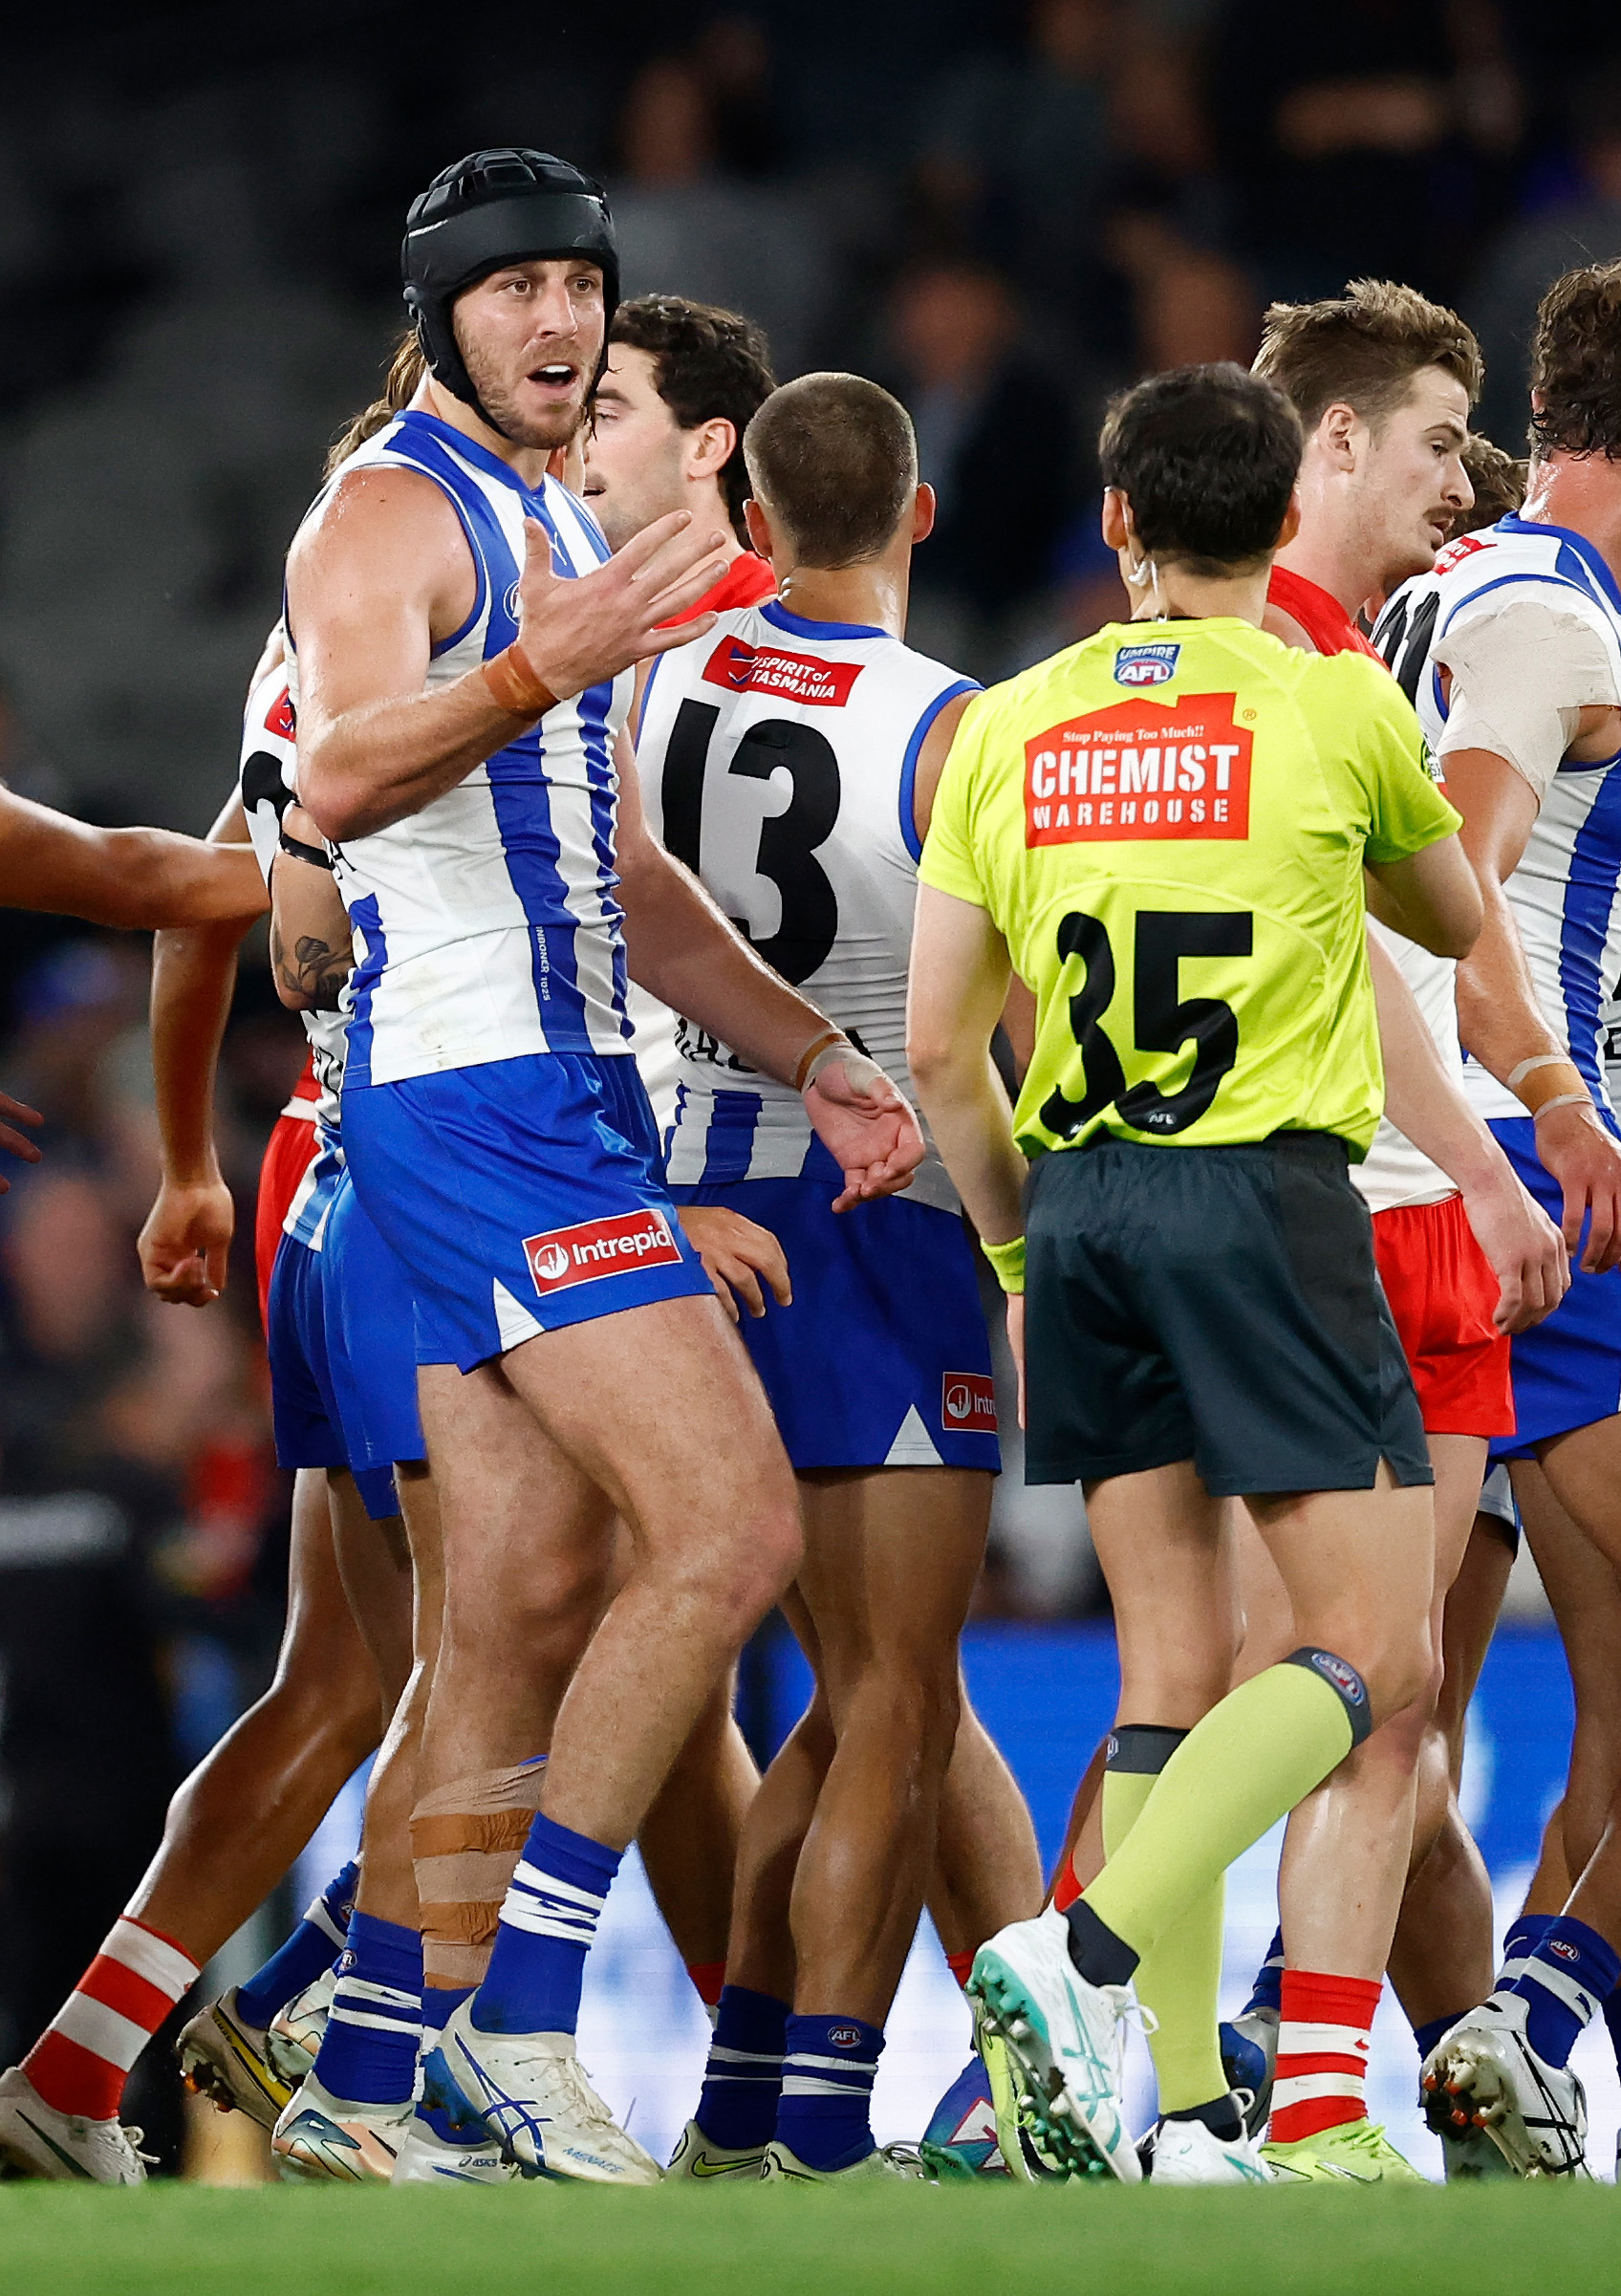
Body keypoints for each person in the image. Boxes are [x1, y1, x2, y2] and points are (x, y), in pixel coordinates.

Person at [289, 147, 922, 2186]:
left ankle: (366, 2076)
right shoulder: (392, 506)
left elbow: (628, 885)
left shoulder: (550, 515)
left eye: (579, 284)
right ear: (442, 312)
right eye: (513, 292)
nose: (556, 321)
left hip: (557, 1087)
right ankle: (522, 2024)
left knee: (524, 1604)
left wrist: (812, 1047)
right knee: (729, 1534)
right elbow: (338, 773)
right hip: (471, 1095)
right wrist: (540, 662)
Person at [908, 360, 1481, 2185]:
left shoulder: (1004, 726)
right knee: (1376, 1655)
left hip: (1076, 1201)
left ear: (1117, 523)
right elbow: (1457, 923)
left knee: (1165, 1669)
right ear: (1280, 516)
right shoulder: (1331, 700)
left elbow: (938, 1050)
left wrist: (1015, 1238)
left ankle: (1197, 2121)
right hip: (1267, 1203)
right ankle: (1078, 1953)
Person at [632, 370, 1027, 2182]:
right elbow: (996, 1018)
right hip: (890, 1204)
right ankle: (820, 2113)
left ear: (758, 522)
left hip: (693, 1203)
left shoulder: (658, 684)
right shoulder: (955, 728)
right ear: (922, 512)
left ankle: (732, 2098)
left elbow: (619, 918)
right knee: (896, 1700)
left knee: (822, 1687)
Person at [1206, 285, 1567, 2183]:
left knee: (1382, 1690)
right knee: (1326, 1678)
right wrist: (1523, 1143)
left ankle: (1378, 2088)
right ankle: (1100, 1972)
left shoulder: (1264, 644)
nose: (1457, 480)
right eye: (1433, 441)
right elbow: (1393, 939)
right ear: (1327, 441)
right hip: (1348, 1195)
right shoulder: (1297, 665)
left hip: (1325, 1194)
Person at [1371, 259, 1621, 2177]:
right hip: (1522, 1180)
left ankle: (1459, 2083)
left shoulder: (1439, 586)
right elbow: (1445, 875)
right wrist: (1533, 1104)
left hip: (1369, 1150)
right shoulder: (1557, 617)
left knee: (1375, 1700)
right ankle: (1534, 2020)